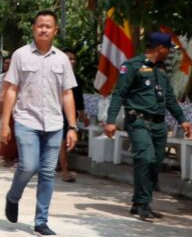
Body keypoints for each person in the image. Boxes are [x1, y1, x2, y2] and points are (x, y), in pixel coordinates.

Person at [0, 11, 78, 237]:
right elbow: (11, 90)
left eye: (48, 26)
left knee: (48, 173)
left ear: (55, 31)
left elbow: (67, 94)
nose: (44, 29)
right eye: (40, 25)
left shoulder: (62, 59)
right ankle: (13, 196)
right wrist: (5, 123)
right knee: (28, 166)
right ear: (33, 28)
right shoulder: (20, 55)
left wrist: (72, 127)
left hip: (54, 123)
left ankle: (41, 221)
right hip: (26, 120)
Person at [105, 33, 192, 221]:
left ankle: (140, 203)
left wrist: (182, 120)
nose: (169, 53)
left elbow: (169, 98)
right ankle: (143, 204)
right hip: (139, 122)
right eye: (168, 49)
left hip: (159, 124)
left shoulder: (161, 71)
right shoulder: (132, 66)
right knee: (145, 157)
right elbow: (119, 94)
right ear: (160, 48)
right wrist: (111, 120)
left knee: (155, 163)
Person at [58, 50, 89, 183]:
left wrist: (83, 115)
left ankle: (64, 170)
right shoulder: (55, 75)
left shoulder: (76, 78)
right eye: (68, 59)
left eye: (73, 59)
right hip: (54, 113)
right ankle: (64, 170)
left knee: (64, 142)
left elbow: (78, 99)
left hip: (69, 115)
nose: (71, 61)